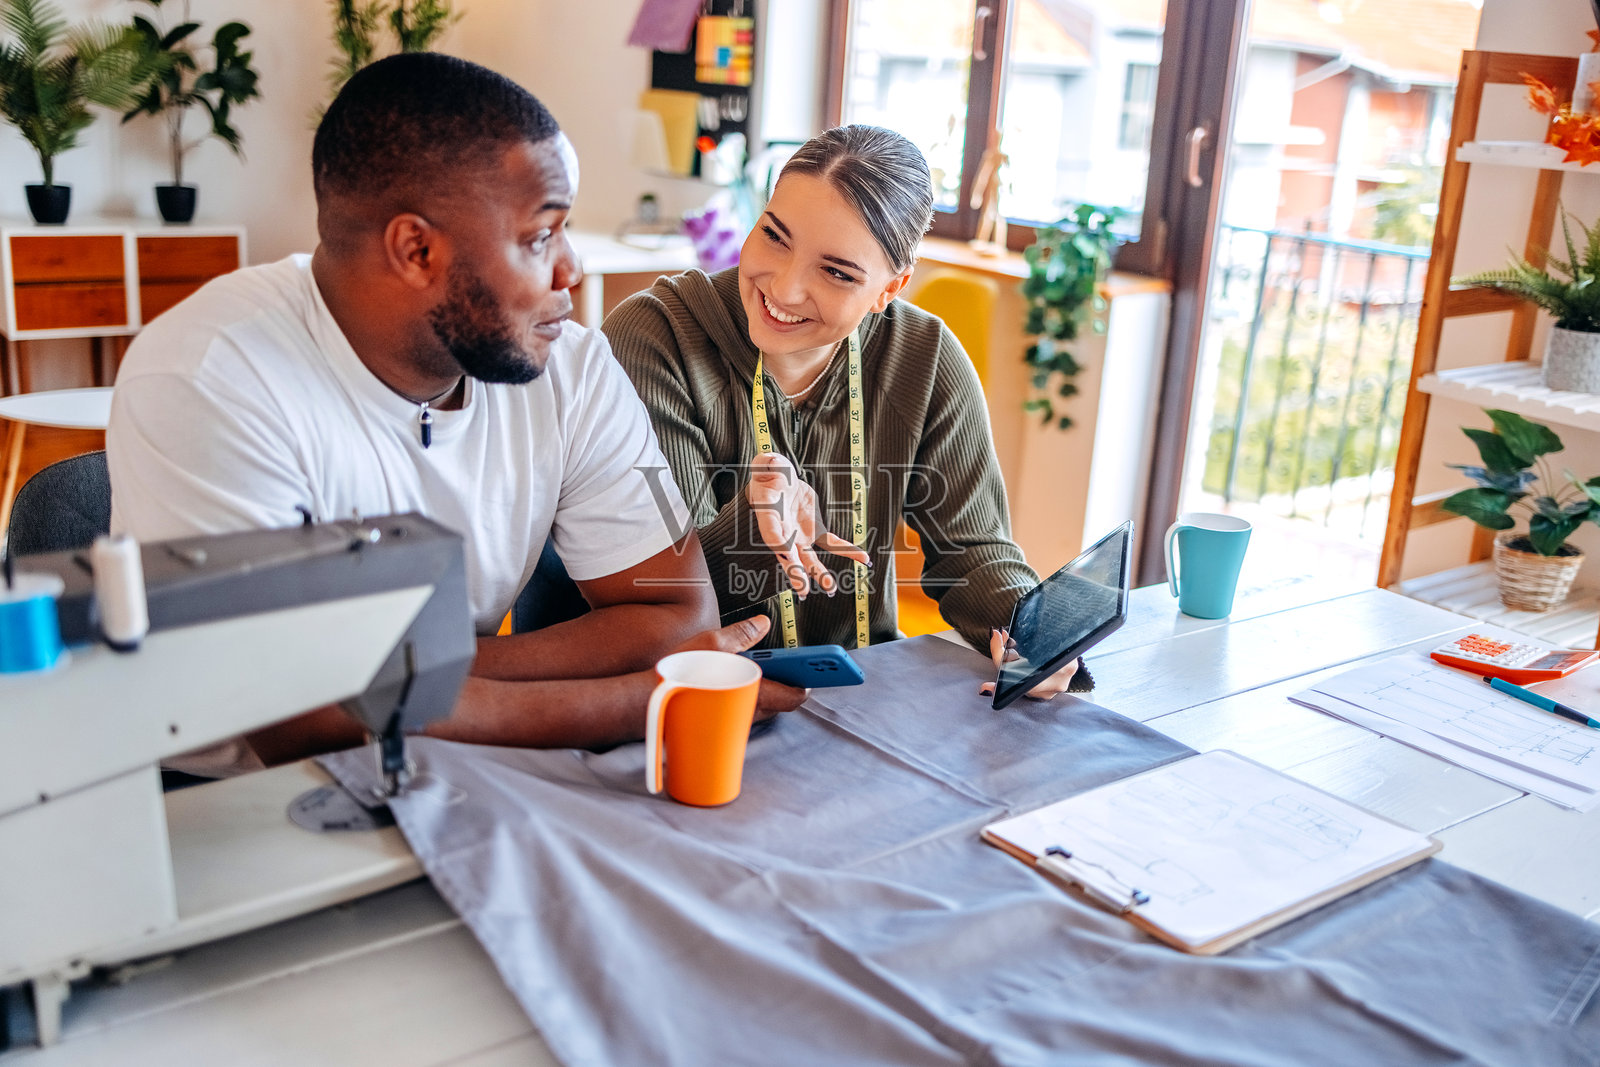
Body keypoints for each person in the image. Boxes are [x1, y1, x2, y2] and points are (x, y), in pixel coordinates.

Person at [107, 52, 803, 776]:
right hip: (226, 802)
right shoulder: (210, 374)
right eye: (541, 236)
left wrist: (401, 676)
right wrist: (639, 702)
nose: (572, 270)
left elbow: (676, 617)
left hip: (463, 765)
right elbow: (311, 723)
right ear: (416, 250)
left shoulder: (570, 364)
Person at [603, 125, 1082, 699]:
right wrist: (753, 524)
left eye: (836, 272)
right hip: (700, 696)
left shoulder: (924, 357)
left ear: (890, 289)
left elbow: (974, 551)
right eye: (774, 235)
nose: (785, 289)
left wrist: (1034, 634)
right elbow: (666, 594)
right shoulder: (655, 338)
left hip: (860, 691)